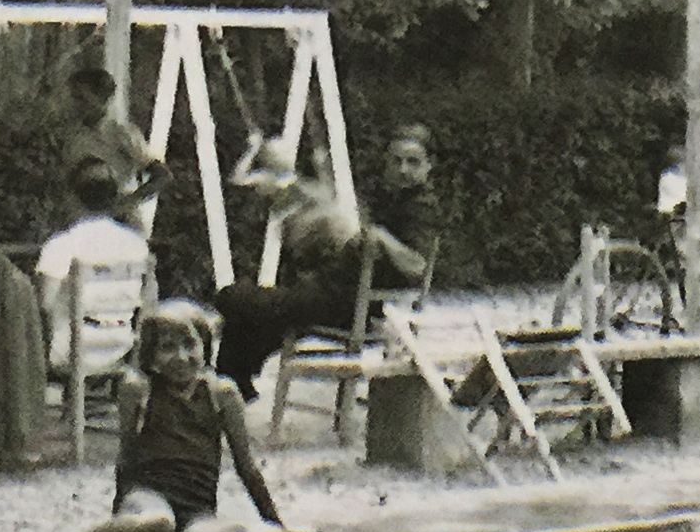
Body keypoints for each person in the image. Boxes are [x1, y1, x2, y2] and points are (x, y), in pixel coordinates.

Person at [14, 301, 290, 532]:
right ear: (151, 355)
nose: (181, 357)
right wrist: (120, 521)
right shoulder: (139, 390)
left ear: (205, 346)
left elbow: (247, 467)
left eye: (189, 345)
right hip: (148, 499)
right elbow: (126, 458)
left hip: (197, 515)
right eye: (168, 348)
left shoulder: (222, 394)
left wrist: (276, 521)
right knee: (158, 523)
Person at [207, 134, 372, 396]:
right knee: (251, 314)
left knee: (233, 300)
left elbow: (332, 206)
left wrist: (322, 168)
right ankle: (236, 382)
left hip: (326, 298)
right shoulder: (282, 185)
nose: (280, 158)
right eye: (273, 154)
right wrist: (252, 149)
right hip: (324, 291)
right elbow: (238, 181)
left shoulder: (309, 191)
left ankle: (231, 381)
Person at [36, 163, 158, 378]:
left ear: (71, 197)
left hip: (71, 350)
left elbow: (45, 305)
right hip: (123, 346)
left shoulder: (63, 244)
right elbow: (150, 304)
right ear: (113, 198)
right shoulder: (136, 244)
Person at [60, 65, 167, 226]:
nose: (76, 105)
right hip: (83, 222)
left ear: (101, 98)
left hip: (120, 223)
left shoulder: (120, 133)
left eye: (82, 98)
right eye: (74, 98)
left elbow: (162, 175)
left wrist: (129, 201)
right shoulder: (72, 136)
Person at [364, 124, 440, 296]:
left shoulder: (422, 206)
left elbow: (417, 266)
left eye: (413, 161)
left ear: (429, 164)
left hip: (391, 303)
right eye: (396, 161)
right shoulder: (386, 197)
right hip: (356, 290)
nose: (403, 170)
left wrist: (381, 236)